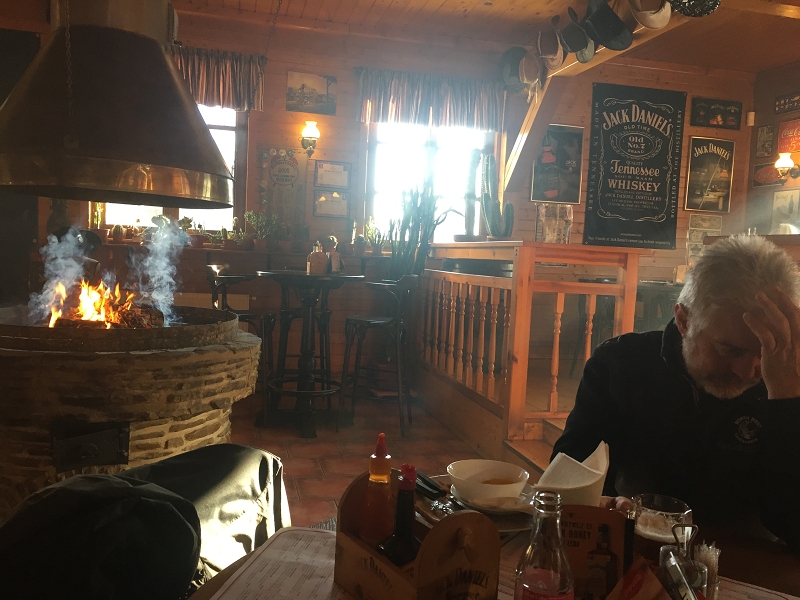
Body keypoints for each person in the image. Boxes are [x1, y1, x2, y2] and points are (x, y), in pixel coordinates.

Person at [552, 234, 800, 550]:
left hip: (743, 560)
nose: (748, 371)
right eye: (730, 349)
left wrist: (787, 401)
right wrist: (602, 504)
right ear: (683, 320)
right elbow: (568, 479)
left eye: (765, 351)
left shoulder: (786, 382)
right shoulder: (620, 365)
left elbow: (792, 526)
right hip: (634, 547)